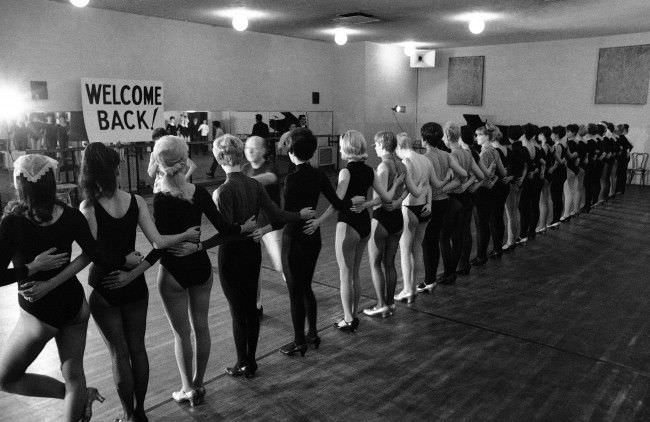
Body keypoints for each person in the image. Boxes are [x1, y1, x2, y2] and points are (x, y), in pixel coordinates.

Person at [0, 154, 138, 422]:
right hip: (74, 307)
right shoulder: (71, 216)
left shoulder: (13, 223)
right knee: (74, 374)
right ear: (52, 183)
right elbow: (98, 254)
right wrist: (124, 259)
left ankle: (78, 395)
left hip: (40, 315)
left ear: (20, 184)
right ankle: (78, 396)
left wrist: (31, 268)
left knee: (5, 379)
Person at [78, 142, 200, 422]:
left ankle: (128, 414)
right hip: (134, 287)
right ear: (115, 168)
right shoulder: (135, 200)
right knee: (137, 348)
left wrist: (122, 262)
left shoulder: (90, 207)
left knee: (119, 354)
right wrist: (184, 235)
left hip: (106, 286)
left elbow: (95, 253)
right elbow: (158, 241)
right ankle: (140, 414)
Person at [152, 136, 255, 405]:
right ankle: (198, 384)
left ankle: (187, 388)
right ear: (184, 159)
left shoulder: (160, 198)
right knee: (202, 327)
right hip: (200, 267)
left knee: (181, 334)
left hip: (173, 269)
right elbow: (224, 228)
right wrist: (242, 228)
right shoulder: (197, 192)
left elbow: (160, 242)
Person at [212, 134, 313, 378]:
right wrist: (299, 215)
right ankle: (252, 362)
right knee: (249, 310)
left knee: (238, 313)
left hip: (232, 256)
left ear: (219, 157)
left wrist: (197, 246)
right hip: (251, 252)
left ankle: (241, 363)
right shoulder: (254, 185)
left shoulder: (222, 191)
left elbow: (225, 233)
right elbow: (278, 216)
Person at [279, 128, 363, 354]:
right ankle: (313, 334)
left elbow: (284, 215)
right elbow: (338, 202)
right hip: (312, 236)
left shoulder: (291, 179)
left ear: (292, 151)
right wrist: (355, 201)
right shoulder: (319, 175)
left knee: (295, 292)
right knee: (306, 287)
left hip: (294, 236)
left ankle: (299, 341)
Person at [318, 130, 400, 330]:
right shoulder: (370, 170)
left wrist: (319, 220)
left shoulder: (346, 171)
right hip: (364, 225)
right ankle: (353, 315)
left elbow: (336, 203)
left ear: (346, 148)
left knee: (345, 274)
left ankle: (348, 319)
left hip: (348, 225)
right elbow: (385, 198)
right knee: (354, 272)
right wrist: (395, 185)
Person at [417, 123, 469, 290]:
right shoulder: (446, 155)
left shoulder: (425, 158)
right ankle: (440, 276)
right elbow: (463, 174)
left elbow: (425, 185)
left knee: (429, 242)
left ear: (424, 140)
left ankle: (429, 279)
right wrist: (445, 185)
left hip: (432, 203)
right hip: (445, 201)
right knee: (439, 239)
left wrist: (438, 188)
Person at [362, 131, 406, 317]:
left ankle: (381, 305)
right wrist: (397, 202)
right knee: (390, 263)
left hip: (381, 219)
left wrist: (362, 204)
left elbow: (379, 199)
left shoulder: (382, 166)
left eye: (376, 145)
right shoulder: (402, 165)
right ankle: (390, 303)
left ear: (381, 145)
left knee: (375, 263)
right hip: (397, 218)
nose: (375, 148)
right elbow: (410, 190)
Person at [393, 132, 441, 300]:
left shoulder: (405, 162)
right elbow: (432, 185)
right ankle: (413, 286)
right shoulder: (425, 159)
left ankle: (408, 289)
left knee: (405, 251)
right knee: (417, 250)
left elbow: (408, 190)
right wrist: (429, 204)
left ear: (399, 147)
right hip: (424, 209)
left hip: (409, 208)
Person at [241, 136, 283, 318]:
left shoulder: (270, 167)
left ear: (264, 151)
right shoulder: (244, 169)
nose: (249, 151)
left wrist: (241, 182)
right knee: (252, 269)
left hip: (272, 226)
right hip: (253, 226)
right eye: (247, 147)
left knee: (282, 265)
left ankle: (299, 293)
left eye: (254, 148)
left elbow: (270, 177)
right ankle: (256, 306)